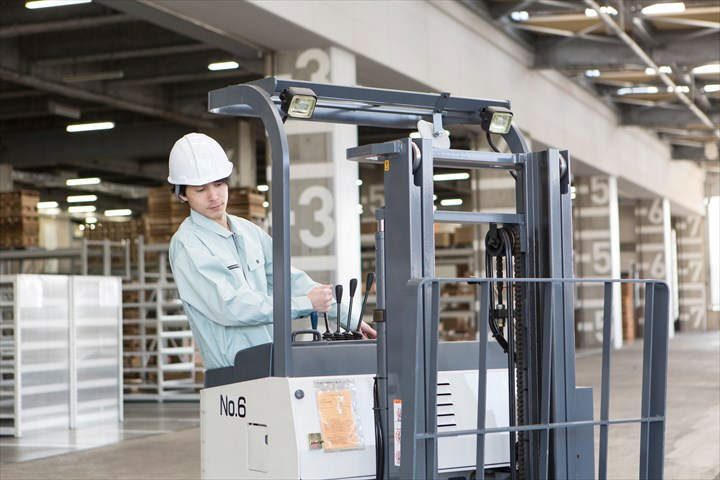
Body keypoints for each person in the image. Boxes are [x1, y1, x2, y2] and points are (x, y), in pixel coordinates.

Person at [167, 132, 376, 370]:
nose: (214, 196)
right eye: (201, 189)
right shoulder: (188, 245)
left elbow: (289, 280)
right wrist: (305, 303)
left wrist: (348, 319)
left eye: (219, 184)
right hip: (234, 370)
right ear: (182, 193)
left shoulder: (248, 231)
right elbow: (231, 306)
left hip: (273, 359)